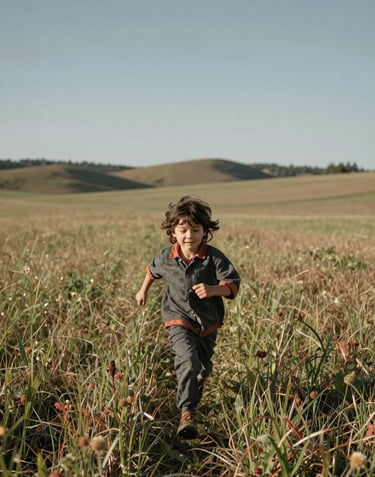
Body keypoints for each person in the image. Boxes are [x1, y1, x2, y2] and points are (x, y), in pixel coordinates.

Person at [136, 196, 240, 439]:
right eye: (182, 230)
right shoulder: (166, 257)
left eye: (195, 230)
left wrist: (213, 289)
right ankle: (187, 413)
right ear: (173, 231)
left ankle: (191, 398)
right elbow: (151, 271)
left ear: (205, 231)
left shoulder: (214, 258)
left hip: (207, 322)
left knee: (202, 368)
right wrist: (143, 290)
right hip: (177, 317)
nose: (189, 236)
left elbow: (233, 284)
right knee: (189, 360)